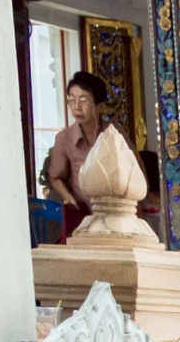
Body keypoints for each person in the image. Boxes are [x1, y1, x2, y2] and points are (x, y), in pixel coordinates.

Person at [40, 71, 121, 239]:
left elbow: (135, 169)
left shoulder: (115, 134)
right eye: (71, 100)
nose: (76, 107)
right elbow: (55, 176)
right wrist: (68, 198)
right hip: (84, 218)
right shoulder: (64, 138)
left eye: (83, 101)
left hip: (115, 214)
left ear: (99, 106)